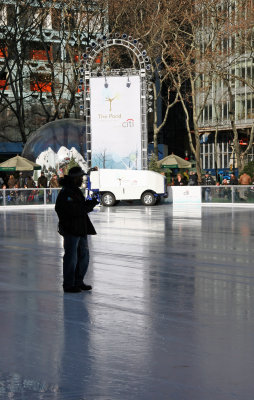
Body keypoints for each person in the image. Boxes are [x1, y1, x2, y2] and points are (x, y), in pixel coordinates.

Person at [55, 166, 99, 293]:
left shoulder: (75, 191)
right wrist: (88, 206)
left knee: (83, 256)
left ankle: (78, 281)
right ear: (75, 178)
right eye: (80, 177)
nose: (82, 179)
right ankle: (69, 284)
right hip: (71, 230)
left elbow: (79, 208)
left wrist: (90, 204)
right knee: (71, 257)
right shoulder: (66, 192)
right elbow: (68, 209)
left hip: (80, 228)